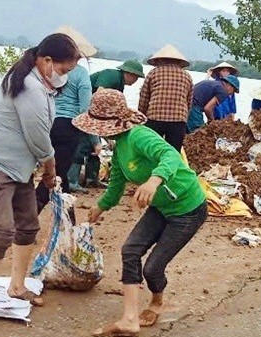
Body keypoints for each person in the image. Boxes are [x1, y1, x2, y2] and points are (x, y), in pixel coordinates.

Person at [75, 88, 207, 337]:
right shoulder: (119, 149)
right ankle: (129, 319)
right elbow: (115, 185)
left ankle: (157, 301)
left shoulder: (139, 136)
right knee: (130, 249)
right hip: (160, 208)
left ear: (112, 124)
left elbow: (170, 154)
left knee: (153, 269)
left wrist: (154, 180)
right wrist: (100, 207)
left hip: (188, 209)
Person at [0, 33, 80, 308]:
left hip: (19, 167)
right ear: (47, 60)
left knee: (28, 225)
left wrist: (44, 167)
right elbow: (38, 136)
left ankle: (17, 287)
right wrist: (50, 168)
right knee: (1, 230)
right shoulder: (28, 85)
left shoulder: (39, 83)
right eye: (63, 69)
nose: (63, 76)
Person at [34, 30, 98, 213]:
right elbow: (85, 107)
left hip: (48, 123)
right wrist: (94, 139)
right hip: (68, 127)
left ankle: (68, 219)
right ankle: (27, 219)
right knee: (57, 174)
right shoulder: (80, 73)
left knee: (60, 174)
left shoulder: (43, 71)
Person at [69, 60, 146, 192]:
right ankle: (72, 181)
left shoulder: (119, 84)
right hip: (87, 110)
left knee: (93, 148)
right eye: (136, 76)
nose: (136, 80)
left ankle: (91, 179)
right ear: (128, 73)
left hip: (97, 114)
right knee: (83, 145)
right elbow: (100, 95)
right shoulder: (112, 75)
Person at [138, 44, 193, 151]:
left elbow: (144, 98)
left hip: (155, 118)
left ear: (159, 60)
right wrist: (184, 119)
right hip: (178, 120)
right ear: (179, 62)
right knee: (173, 152)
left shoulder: (153, 73)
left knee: (151, 149)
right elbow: (189, 102)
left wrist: (141, 118)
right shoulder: (187, 76)